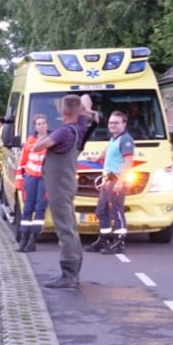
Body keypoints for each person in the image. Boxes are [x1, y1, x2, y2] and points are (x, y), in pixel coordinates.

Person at [42, 94, 95, 289]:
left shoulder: (63, 132)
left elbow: (40, 145)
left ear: (63, 112)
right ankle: (74, 268)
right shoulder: (80, 126)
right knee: (70, 226)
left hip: (58, 184)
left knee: (64, 227)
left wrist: (39, 138)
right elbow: (86, 97)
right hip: (68, 184)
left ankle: (68, 273)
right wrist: (86, 112)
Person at [88, 110, 135, 255]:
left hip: (117, 178)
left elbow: (129, 162)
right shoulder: (115, 138)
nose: (112, 125)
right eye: (110, 122)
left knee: (116, 211)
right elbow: (108, 149)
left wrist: (120, 182)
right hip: (110, 178)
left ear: (124, 124)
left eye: (116, 123)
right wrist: (96, 158)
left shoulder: (126, 140)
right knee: (101, 210)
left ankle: (119, 242)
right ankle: (104, 240)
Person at [16, 114, 51, 252]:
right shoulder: (29, 142)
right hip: (30, 178)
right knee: (28, 208)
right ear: (35, 126)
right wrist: (19, 181)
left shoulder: (51, 142)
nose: (41, 126)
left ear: (47, 125)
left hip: (44, 179)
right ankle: (23, 238)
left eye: (43, 123)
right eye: (39, 124)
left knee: (40, 209)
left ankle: (33, 239)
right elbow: (22, 163)